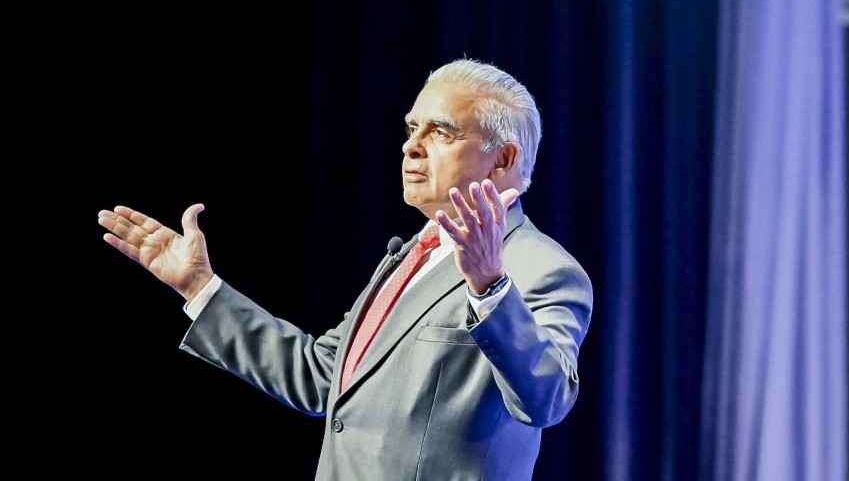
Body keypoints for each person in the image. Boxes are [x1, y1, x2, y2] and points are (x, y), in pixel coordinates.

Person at [97, 57, 594, 481]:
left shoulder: (542, 268)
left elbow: (546, 399)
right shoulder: (413, 253)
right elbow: (321, 378)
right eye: (411, 128)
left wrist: (489, 285)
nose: (411, 146)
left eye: (440, 132)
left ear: (502, 159)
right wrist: (201, 288)